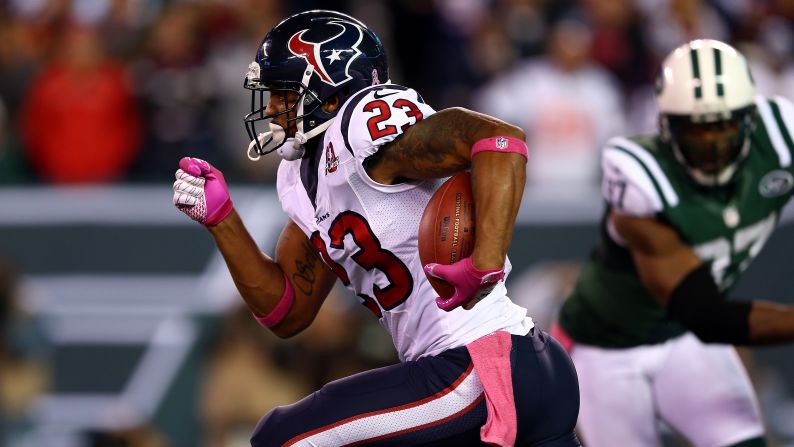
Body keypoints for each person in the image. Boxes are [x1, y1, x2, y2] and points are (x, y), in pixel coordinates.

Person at [171, 10, 580, 447]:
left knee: (281, 437)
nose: (271, 107)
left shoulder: (362, 123)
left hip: (478, 364)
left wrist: (486, 262)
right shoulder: (300, 176)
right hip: (512, 370)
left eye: (285, 94)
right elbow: (287, 311)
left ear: (329, 92)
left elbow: (500, 142)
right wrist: (223, 222)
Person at [554, 38, 794, 447]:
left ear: (750, 119)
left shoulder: (782, 133)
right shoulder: (639, 176)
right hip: (608, 347)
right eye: (696, 130)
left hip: (682, 336)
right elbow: (706, 314)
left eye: (725, 126)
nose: (713, 145)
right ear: (665, 126)